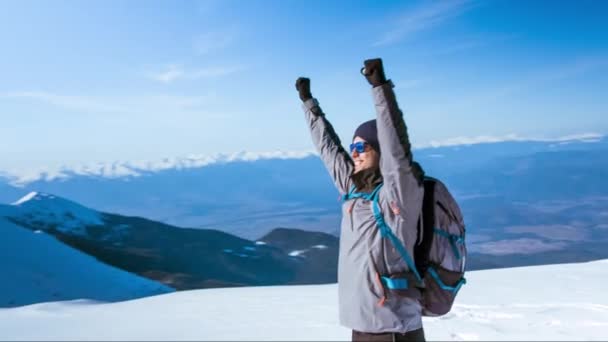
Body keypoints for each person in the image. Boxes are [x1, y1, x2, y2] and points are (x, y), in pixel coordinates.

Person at [295, 58, 426, 342]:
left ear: (380, 150)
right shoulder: (353, 190)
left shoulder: (398, 194)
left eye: (361, 146)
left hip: (393, 328)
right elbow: (329, 149)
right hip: (363, 325)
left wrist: (380, 89)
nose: (354, 152)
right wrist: (309, 105)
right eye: (353, 146)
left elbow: (396, 146)